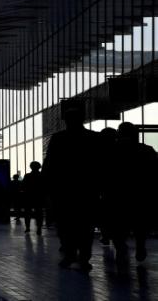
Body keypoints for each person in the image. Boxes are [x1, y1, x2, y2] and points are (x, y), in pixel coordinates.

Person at [43, 107, 101, 271]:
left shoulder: (58, 138)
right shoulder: (93, 138)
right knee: (85, 225)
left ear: (65, 120)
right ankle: (84, 256)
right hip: (87, 189)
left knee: (66, 224)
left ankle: (70, 254)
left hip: (63, 190)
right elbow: (100, 164)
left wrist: (48, 185)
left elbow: (50, 163)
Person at [112, 122, 158, 262]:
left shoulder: (112, 151)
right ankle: (140, 246)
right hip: (141, 194)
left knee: (118, 225)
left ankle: (120, 247)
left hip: (118, 195)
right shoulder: (147, 150)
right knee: (140, 224)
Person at [22, 161, 44, 235]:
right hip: (39, 197)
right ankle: (39, 228)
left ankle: (28, 227)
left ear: (31, 167)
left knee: (27, 213)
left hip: (28, 197)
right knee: (39, 213)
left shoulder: (27, 176)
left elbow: (23, 186)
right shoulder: (42, 176)